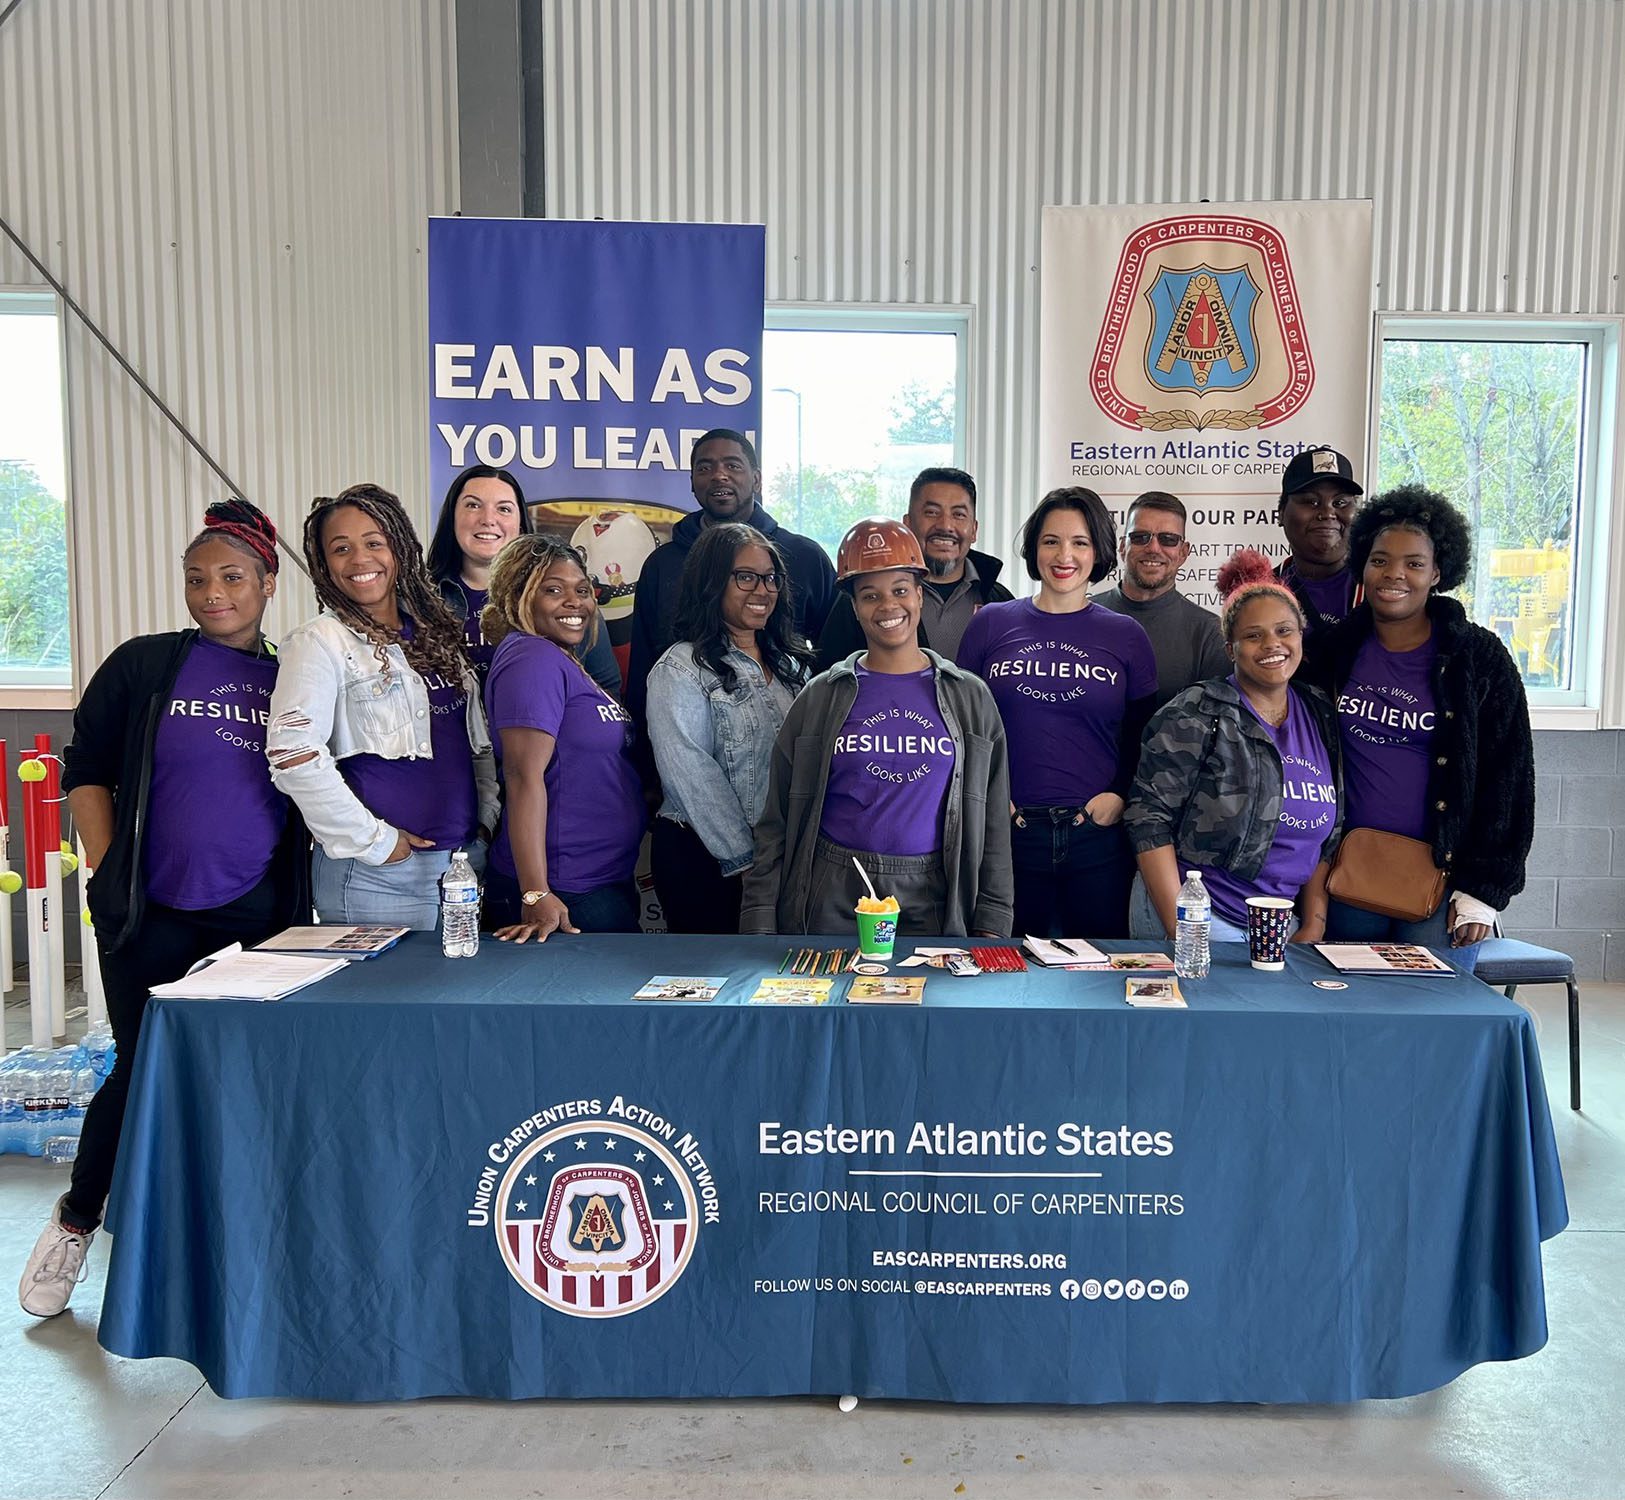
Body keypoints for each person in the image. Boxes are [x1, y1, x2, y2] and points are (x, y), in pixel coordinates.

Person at [20, 500, 309, 1319]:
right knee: (142, 1068)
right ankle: (77, 1222)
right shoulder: (146, 665)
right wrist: (113, 874)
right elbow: (89, 770)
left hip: (256, 914)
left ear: (267, 583)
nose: (213, 593)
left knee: (245, 1074)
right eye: (197, 579)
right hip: (152, 912)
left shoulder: (293, 672)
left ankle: (241, 1239)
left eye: (231, 577)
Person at [740, 517, 1013, 937]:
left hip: (935, 895)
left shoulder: (970, 699)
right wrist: (759, 916)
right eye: (870, 595)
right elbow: (775, 819)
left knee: (929, 1002)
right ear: (854, 606)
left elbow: (993, 821)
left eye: (901, 590)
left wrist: (993, 920)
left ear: (920, 596)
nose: (888, 606)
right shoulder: (818, 698)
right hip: (833, 890)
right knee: (834, 1002)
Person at [1301, 485, 1534, 950]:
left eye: (1414, 564)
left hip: (1442, 885)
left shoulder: (1478, 657)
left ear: (1438, 573)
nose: (1395, 575)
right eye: (1381, 559)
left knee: (1433, 1015)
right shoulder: (1332, 651)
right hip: (1346, 875)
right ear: (1362, 564)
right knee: (1348, 1016)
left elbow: (1508, 778)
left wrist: (1483, 892)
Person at [266, 484, 497, 929]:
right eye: (341, 548)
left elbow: (475, 744)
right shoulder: (320, 642)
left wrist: (485, 818)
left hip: (462, 867)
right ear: (322, 563)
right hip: (378, 877)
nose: (359, 560)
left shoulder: (433, 633)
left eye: (374, 543)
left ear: (401, 549)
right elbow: (292, 755)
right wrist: (376, 843)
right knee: (386, 1000)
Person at [956, 487, 1157, 938]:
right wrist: (989, 797)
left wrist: (1120, 795)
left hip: (1096, 837)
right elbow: (962, 724)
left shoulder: (1127, 635)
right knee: (1006, 976)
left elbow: (1143, 735)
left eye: (1080, 542)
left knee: (1096, 981)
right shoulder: (990, 622)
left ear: (1099, 551)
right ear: (1034, 549)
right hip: (1007, 834)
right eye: (1051, 541)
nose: (1064, 555)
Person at [1127, 550, 1342, 943]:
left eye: (1284, 630)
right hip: (1202, 918)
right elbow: (1148, 819)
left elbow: (1327, 835)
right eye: (1253, 635)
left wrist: (1314, 923)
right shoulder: (1196, 712)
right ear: (1231, 649)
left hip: (1284, 927)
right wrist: (1184, 930)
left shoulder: (1320, 713)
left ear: (1300, 637)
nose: (1271, 644)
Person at [645, 523, 814, 933]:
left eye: (771, 577)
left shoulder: (795, 668)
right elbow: (691, 774)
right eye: (745, 577)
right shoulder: (681, 668)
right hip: (707, 862)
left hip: (780, 861)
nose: (763, 589)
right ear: (712, 582)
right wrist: (746, 862)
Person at [481, 537, 647, 938]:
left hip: (597, 881)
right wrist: (536, 893)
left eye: (582, 590)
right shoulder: (531, 659)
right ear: (520, 596)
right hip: (565, 890)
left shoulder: (561, 659)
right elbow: (523, 777)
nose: (575, 603)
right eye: (553, 590)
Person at [625, 429, 837, 728]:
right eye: (705, 467)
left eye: (733, 465)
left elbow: (836, 656)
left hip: (792, 732)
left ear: (757, 479)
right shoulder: (663, 564)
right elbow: (643, 670)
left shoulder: (804, 557)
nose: (719, 476)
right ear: (692, 483)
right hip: (682, 738)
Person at [426, 462, 622, 693]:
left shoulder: (569, 601)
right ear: (452, 518)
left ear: (520, 525)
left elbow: (605, 690)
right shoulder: (420, 601)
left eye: (504, 509)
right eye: (473, 505)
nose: (488, 519)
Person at [814, 466, 1012, 669]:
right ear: (907, 524)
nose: (945, 525)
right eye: (931, 512)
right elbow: (831, 680)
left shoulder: (1000, 601)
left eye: (959, 515)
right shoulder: (862, 598)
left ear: (974, 530)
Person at [1092, 490, 1228, 707]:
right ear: (1122, 546)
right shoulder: (1082, 616)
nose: (1153, 548)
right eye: (1140, 537)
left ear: (1183, 552)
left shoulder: (1209, 634)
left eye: (1168, 539)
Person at [1274, 446, 1365, 634]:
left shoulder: (1380, 589)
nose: (1327, 513)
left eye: (1339, 503)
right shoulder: (1261, 590)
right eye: (1311, 502)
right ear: (1281, 513)